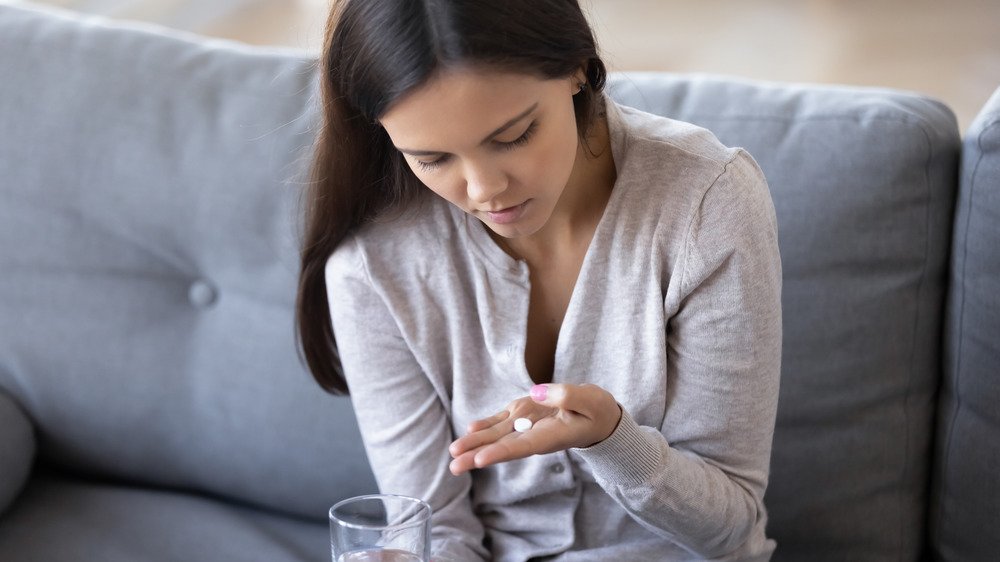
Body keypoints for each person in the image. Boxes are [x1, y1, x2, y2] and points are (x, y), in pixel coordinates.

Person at [296, 0, 783, 560]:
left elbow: (729, 527)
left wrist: (612, 440)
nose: (484, 189)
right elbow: (438, 531)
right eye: (431, 159)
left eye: (514, 136)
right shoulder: (372, 266)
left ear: (578, 68)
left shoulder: (706, 204)